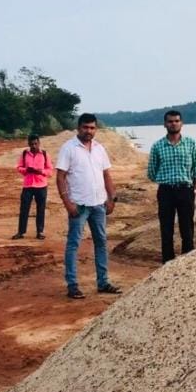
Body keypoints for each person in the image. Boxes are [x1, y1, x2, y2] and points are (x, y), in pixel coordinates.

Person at [56, 113, 122, 299]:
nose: (88, 131)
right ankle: (72, 285)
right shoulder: (69, 148)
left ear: (96, 129)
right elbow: (60, 177)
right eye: (85, 127)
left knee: (101, 242)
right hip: (79, 205)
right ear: (78, 128)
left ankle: (103, 282)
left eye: (92, 128)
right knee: (74, 244)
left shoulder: (100, 148)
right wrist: (67, 203)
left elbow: (106, 175)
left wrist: (111, 198)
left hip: (99, 204)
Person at [147, 110, 196, 263]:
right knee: (166, 229)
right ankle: (167, 263)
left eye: (177, 121)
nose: (173, 124)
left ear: (182, 123)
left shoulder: (190, 143)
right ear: (165, 124)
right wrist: (164, 180)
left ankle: (187, 262)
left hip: (185, 190)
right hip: (166, 191)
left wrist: (194, 189)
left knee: (187, 228)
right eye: (170, 121)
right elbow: (151, 172)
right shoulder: (158, 146)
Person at [14, 134, 53, 240]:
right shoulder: (24, 154)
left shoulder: (44, 154)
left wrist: (41, 171)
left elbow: (50, 171)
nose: (34, 146)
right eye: (32, 144)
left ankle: (40, 232)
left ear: (39, 143)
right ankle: (21, 232)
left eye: (35, 144)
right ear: (28, 144)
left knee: (41, 209)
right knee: (24, 209)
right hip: (28, 185)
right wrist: (26, 170)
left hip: (41, 185)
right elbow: (19, 167)